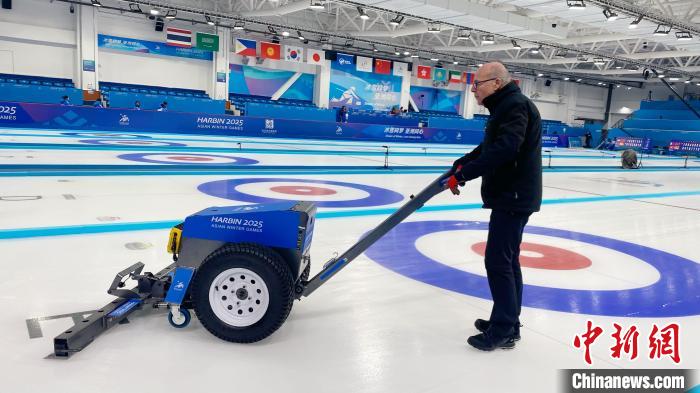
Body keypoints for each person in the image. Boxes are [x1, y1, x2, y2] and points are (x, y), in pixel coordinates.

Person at [444, 61, 542, 351]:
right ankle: (507, 321)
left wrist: (465, 173)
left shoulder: (514, 106)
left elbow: (506, 148)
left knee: (499, 262)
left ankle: (503, 328)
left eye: (478, 84)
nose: (474, 90)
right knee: (507, 261)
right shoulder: (506, 106)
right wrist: (463, 162)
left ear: (496, 83)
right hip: (512, 196)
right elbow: (491, 145)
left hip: (513, 196)